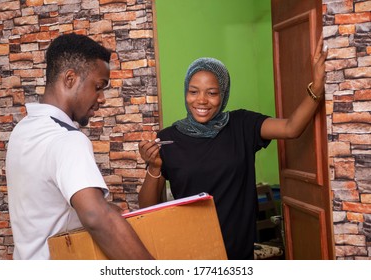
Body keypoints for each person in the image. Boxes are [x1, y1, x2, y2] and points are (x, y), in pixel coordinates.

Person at [138, 37, 328, 260]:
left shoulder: (242, 125)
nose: (201, 100)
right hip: (189, 251)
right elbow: (147, 206)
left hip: (238, 249)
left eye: (212, 92)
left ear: (224, 93)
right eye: (193, 91)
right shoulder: (167, 138)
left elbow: (291, 128)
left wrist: (316, 88)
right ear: (185, 92)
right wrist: (154, 166)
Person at [6, 33, 153, 260]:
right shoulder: (67, 138)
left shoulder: (23, 130)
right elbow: (95, 217)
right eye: (98, 86)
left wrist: (100, 211)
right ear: (70, 79)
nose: (102, 98)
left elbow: (46, 205)